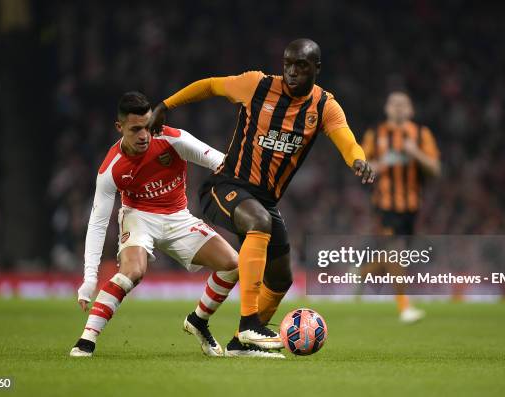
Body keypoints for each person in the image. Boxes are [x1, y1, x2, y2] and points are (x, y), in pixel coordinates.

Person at [147, 38, 375, 355]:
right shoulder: (257, 85)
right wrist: (165, 106)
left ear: (317, 68)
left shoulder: (324, 107)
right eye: (288, 64)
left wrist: (358, 160)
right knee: (258, 221)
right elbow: (211, 85)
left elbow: (346, 138)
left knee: (281, 278)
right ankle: (249, 324)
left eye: (302, 66)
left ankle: (240, 344)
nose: (293, 72)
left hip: (264, 201)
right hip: (225, 187)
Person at [70, 92, 242, 358]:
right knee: (133, 271)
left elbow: (222, 163)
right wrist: (89, 278)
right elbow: (98, 222)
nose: (144, 135)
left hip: (179, 217)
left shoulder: (174, 139)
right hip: (139, 216)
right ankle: (86, 340)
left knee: (234, 265)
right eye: (135, 129)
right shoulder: (111, 168)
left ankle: (198, 320)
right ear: (120, 128)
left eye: (147, 126)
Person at [361, 91, 441, 323]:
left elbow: (435, 169)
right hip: (385, 204)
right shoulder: (375, 134)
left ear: (410, 110)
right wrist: (381, 165)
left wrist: (414, 153)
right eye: (393, 104)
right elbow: (362, 166)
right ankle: (405, 306)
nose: (397, 108)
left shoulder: (420, 135)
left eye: (402, 104)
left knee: (393, 257)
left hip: (412, 206)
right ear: (386, 109)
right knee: (395, 251)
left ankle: (359, 274)